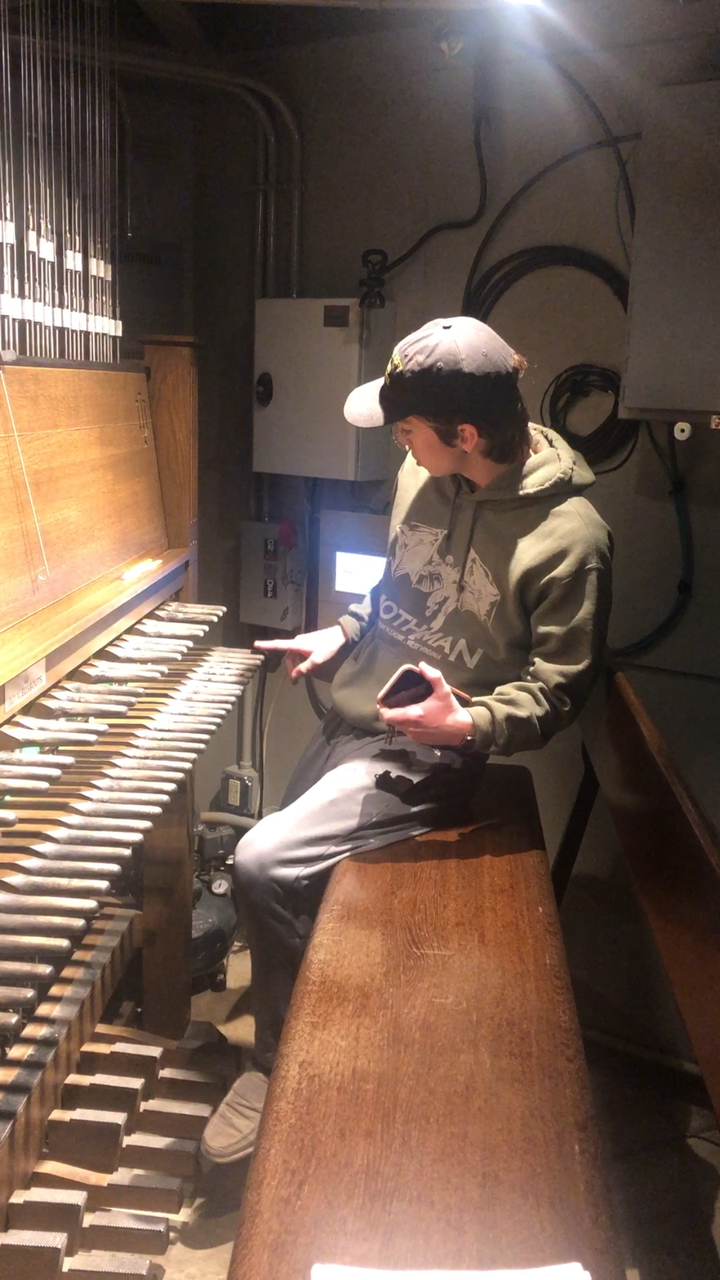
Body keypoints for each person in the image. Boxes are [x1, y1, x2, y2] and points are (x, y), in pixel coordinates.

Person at [200, 315, 612, 1164]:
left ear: (465, 434)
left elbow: (561, 691)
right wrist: (343, 635)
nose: (399, 441)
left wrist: (467, 724)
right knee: (282, 876)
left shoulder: (573, 540)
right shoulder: (418, 477)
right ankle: (325, 1031)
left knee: (263, 864)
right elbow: (398, 588)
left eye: (408, 428)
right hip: (350, 716)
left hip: (427, 752)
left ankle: (279, 1065)